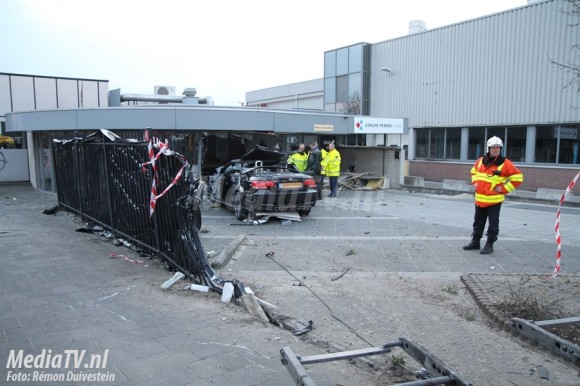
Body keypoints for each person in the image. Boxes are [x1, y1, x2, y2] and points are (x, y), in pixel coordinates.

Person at [463, 136, 524, 254]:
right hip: (480, 199)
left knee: (493, 224)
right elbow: (473, 172)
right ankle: (475, 242)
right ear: (488, 149)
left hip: (494, 200)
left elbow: (518, 177)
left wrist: (504, 188)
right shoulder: (481, 160)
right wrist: (475, 183)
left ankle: (489, 244)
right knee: (478, 222)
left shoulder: (505, 163)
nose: (496, 150)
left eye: (498, 148)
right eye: (493, 148)